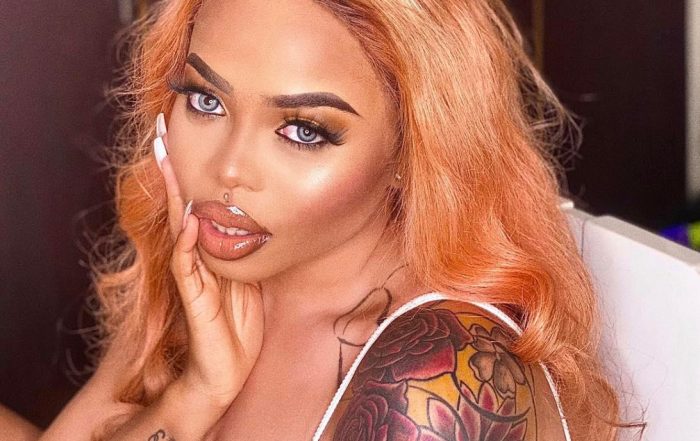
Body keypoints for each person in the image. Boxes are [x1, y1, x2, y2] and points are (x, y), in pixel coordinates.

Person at [35, 0, 622, 439]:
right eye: (206, 101)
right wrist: (194, 395)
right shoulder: (213, 270)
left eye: (303, 130)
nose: (227, 170)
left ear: (414, 151)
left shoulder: (435, 380)